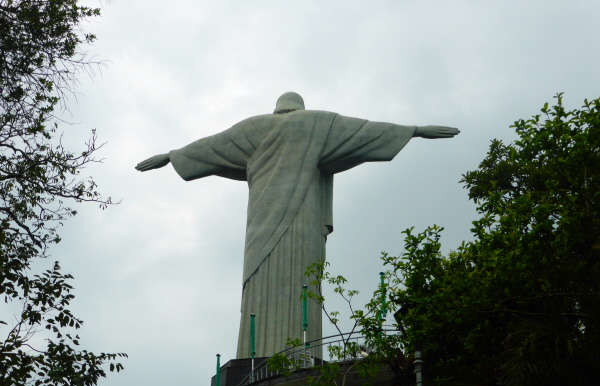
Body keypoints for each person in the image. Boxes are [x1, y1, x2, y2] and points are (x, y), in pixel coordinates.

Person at [136, 92, 459, 358]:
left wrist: (170, 155)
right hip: (303, 219)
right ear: (300, 107)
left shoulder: (250, 128)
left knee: (264, 281)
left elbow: (210, 146)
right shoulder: (319, 122)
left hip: (260, 221)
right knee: (305, 280)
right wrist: (414, 130)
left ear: (276, 108)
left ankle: (255, 353)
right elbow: (364, 131)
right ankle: (295, 350)